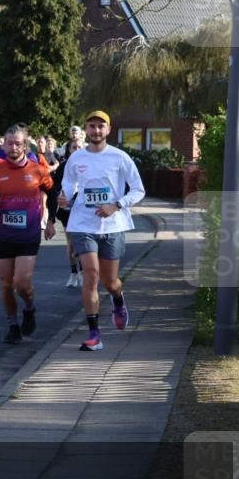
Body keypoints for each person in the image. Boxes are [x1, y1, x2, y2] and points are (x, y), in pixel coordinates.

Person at [59, 110, 145, 351]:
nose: (96, 130)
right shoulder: (76, 159)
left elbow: (138, 190)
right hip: (82, 224)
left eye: (100, 126)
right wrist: (64, 196)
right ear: (85, 129)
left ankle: (118, 299)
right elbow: (68, 184)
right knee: (91, 275)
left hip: (113, 226)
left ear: (108, 130)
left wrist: (116, 205)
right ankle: (94, 335)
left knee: (110, 281)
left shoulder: (119, 157)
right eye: (92, 126)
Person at [0, 125, 56, 345]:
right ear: (4, 145)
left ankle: (29, 307)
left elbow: (52, 193)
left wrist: (51, 221)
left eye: (18, 143)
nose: (14, 147)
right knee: (6, 284)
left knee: (21, 282)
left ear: (25, 145)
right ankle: (13, 326)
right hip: (2, 235)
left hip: (28, 235)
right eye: (10, 143)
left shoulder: (38, 170)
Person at [50, 136, 85, 288]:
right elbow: (55, 185)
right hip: (68, 209)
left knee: (83, 240)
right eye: (73, 147)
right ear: (69, 150)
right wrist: (61, 195)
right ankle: (74, 272)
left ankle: (84, 272)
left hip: (84, 209)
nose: (76, 150)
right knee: (71, 243)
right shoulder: (64, 166)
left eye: (79, 147)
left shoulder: (89, 164)